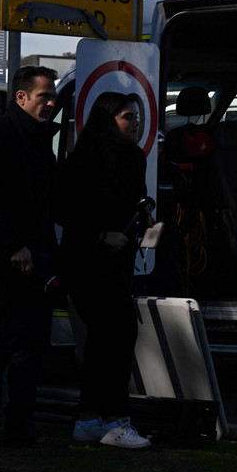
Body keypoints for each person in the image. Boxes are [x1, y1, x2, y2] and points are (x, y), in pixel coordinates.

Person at [0, 66, 59, 448]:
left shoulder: (36, 137)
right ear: (21, 97)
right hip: (7, 261)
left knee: (30, 343)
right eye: (44, 96)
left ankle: (15, 423)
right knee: (9, 340)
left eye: (52, 96)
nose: (50, 103)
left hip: (33, 256)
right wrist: (14, 245)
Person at [55, 92, 152, 449]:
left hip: (117, 263)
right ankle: (113, 419)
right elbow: (64, 209)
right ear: (107, 120)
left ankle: (92, 419)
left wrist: (143, 221)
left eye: (137, 116)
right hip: (88, 262)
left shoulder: (133, 156)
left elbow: (130, 202)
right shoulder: (85, 159)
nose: (136, 123)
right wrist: (100, 235)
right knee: (115, 336)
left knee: (105, 340)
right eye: (128, 116)